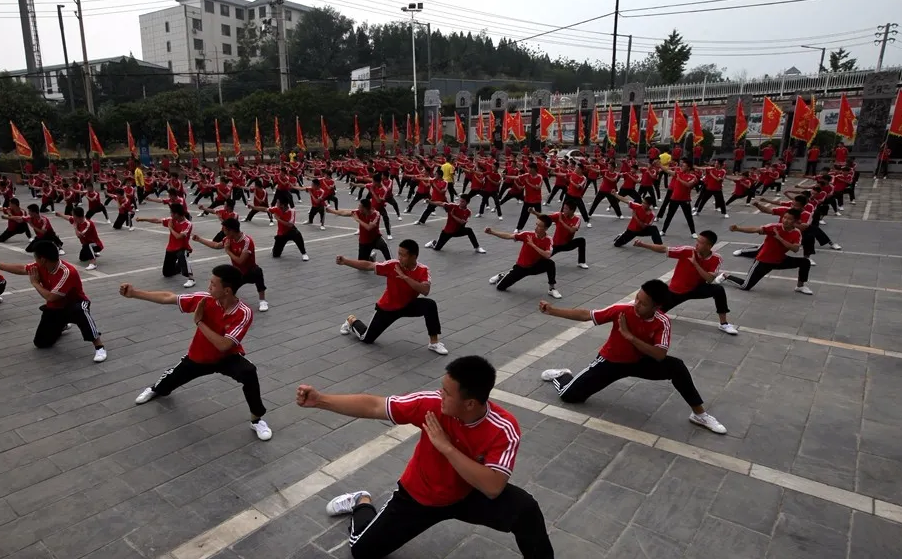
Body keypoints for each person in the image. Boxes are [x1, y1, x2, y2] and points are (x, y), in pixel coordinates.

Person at [299, 355, 554, 559]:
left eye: (446, 392)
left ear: (470, 404)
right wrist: (321, 400)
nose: (439, 394)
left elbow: (493, 487)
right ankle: (362, 502)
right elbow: (376, 405)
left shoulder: (504, 428)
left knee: (526, 510)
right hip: (419, 496)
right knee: (361, 551)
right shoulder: (431, 404)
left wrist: (447, 448)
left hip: (467, 494)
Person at [537, 279, 727, 434]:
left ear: (657, 306)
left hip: (641, 362)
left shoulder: (662, 321)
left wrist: (630, 336)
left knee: (676, 366)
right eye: (637, 298)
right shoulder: (623, 310)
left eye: (643, 303)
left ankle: (699, 415)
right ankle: (562, 375)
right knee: (568, 396)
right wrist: (553, 311)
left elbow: (660, 355)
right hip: (611, 361)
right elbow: (588, 315)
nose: (636, 304)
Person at [122, 265, 272, 441]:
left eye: (213, 284)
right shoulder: (205, 299)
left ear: (227, 290)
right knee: (168, 382)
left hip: (227, 358)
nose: (209, 286)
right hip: (198, 357)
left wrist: (200, 322)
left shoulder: (243, 313)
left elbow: (224, 345)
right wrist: (135, 293)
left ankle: (256, 420)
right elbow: (168, 297)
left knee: (249, 372)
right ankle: (156, 389)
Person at [335, 239, 448, 355]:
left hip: (407, 305)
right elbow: (369, 265)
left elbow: (425, 290)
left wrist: (404, 277)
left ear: (414, 257)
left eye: (403, 255)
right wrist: (345, 261)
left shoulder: (423, 270)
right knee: (366, 339)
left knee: (430, 305)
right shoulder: (393, 265)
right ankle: (351, 320)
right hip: (387, 308)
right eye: (399, 253)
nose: (399, 257)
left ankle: (434, 343)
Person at [0, 241, 107, 362]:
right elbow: (22, 269)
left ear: (43, 259)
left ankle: (99, 346)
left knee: (80, 310)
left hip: (74, 303)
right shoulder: (41, 266)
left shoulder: (67, 272)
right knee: (41, 343)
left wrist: (35, 283)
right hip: (55, 307)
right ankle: (61, 324)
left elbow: (51, 297)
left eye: (35, 257)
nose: (34, 260)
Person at [633, 231, 739, 335]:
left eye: (700, 242)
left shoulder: (716, 258)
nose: (696, 244)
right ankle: (634, 308)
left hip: (696, 288)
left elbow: (710, 279)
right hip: (676, 291)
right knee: (652, 315)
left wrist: (695, 264)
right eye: (697, 241)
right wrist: (643, 244)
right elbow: (664, 249)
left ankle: (724, 324)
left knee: (718, 290)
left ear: (709, 246)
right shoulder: (687, 251)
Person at [714, 209, 813, 294]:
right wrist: (738, 228)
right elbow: (755, 229)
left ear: (796, 221)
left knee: (805, 262)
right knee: (745, 286)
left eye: (789, 219)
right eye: (784, 217)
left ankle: (800, 286)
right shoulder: (774, 227)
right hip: (763, 261)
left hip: (780, 260)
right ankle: (725, 276)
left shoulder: (796, 232)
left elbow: (795, 249)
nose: (785, 220)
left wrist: (779, 238)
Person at [193, 218, 269, 312]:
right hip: (237, 272)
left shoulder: (247, 241)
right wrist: (199, 239)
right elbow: (215, 246)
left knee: (258, 273)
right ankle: (227, 304)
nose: (223, 232)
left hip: (250, 270)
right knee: (228, 290)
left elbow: (241, 261)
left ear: (231, 230)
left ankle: (262, 301)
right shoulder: (228, 239)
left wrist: (228, 251)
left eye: (224, 229)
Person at [485, 215, 562, 299]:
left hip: (535, 266)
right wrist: (492, 232)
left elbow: (548, 255)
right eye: (536, 224)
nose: (536, 228)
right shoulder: (527, 234)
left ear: (546, 228)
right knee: (500, 287)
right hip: (521, 267)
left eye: (539, 226)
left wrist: (533, 245)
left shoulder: (548, 240)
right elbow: (509, 236)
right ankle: (501, 276)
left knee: (550, 263)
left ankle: (552, 288)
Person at [135, 203, 197, 288]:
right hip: (171, 248)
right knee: (167, 273)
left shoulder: (187, 224)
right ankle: (179, 267)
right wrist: (143, 219)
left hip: (182, 248)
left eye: (172, 213)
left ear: (177, 214)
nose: (170, 214)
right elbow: (157, 220)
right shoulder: (172, 220)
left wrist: (170, 228)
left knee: (182, 255)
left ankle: (191, 278)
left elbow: (178, 237)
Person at [530, 200, 589, 269]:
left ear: (572, 211)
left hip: (567, 244)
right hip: (556, 244)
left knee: (581, 240)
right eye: (563, 208)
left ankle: (581, 262)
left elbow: (572, 231)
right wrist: (534, 212)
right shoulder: (559, 215)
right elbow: (545, 217)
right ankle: (529, 263)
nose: (564, 210)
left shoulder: (577, 219)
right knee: (542, 257)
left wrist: (561, 222)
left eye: (566, 209)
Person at [658, 159, 698, 238]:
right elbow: (667, 171)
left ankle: (693, 232)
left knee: (688, 217)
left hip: (685, 200)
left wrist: (680, 180)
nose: (682, 167)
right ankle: (663, 230)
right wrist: (660, 165)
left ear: (689, 168)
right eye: (682, 165)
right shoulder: (678, 173)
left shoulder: (693, 177)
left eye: (684, 166)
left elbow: (688, 185)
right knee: (669, 215)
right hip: (674, 199)